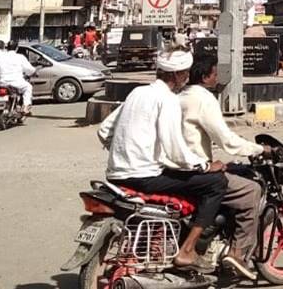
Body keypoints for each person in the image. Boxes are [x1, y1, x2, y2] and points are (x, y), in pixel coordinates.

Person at [97, 47, 228, 270]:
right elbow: (175, 148)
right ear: (176, 75)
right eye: (185, 73)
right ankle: (187, 251)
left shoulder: (137, 92)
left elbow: (104, 130)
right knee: (216, 183)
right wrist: (205, 165)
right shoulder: (167, 99)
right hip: (144, 177)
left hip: (115, 174)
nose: (186, 78)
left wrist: (125, 150)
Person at [180, 55, 268, 279]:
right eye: (215, 73)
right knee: (251, 191)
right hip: (194, 171)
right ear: (205, 76)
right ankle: (237, 257)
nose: (217, 77)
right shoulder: (203, 99)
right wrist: (258, 149)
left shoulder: (178, 96)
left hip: (170, 168)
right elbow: (226, 140)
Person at [0, 38, 35, 115]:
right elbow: (29, 70)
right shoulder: (20, 57)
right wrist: (33, 72)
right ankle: (25, 107)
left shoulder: (0, 57)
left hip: (2, 82)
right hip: (16, 82)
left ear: (7, 48)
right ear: (17, 48)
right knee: (28, 87)